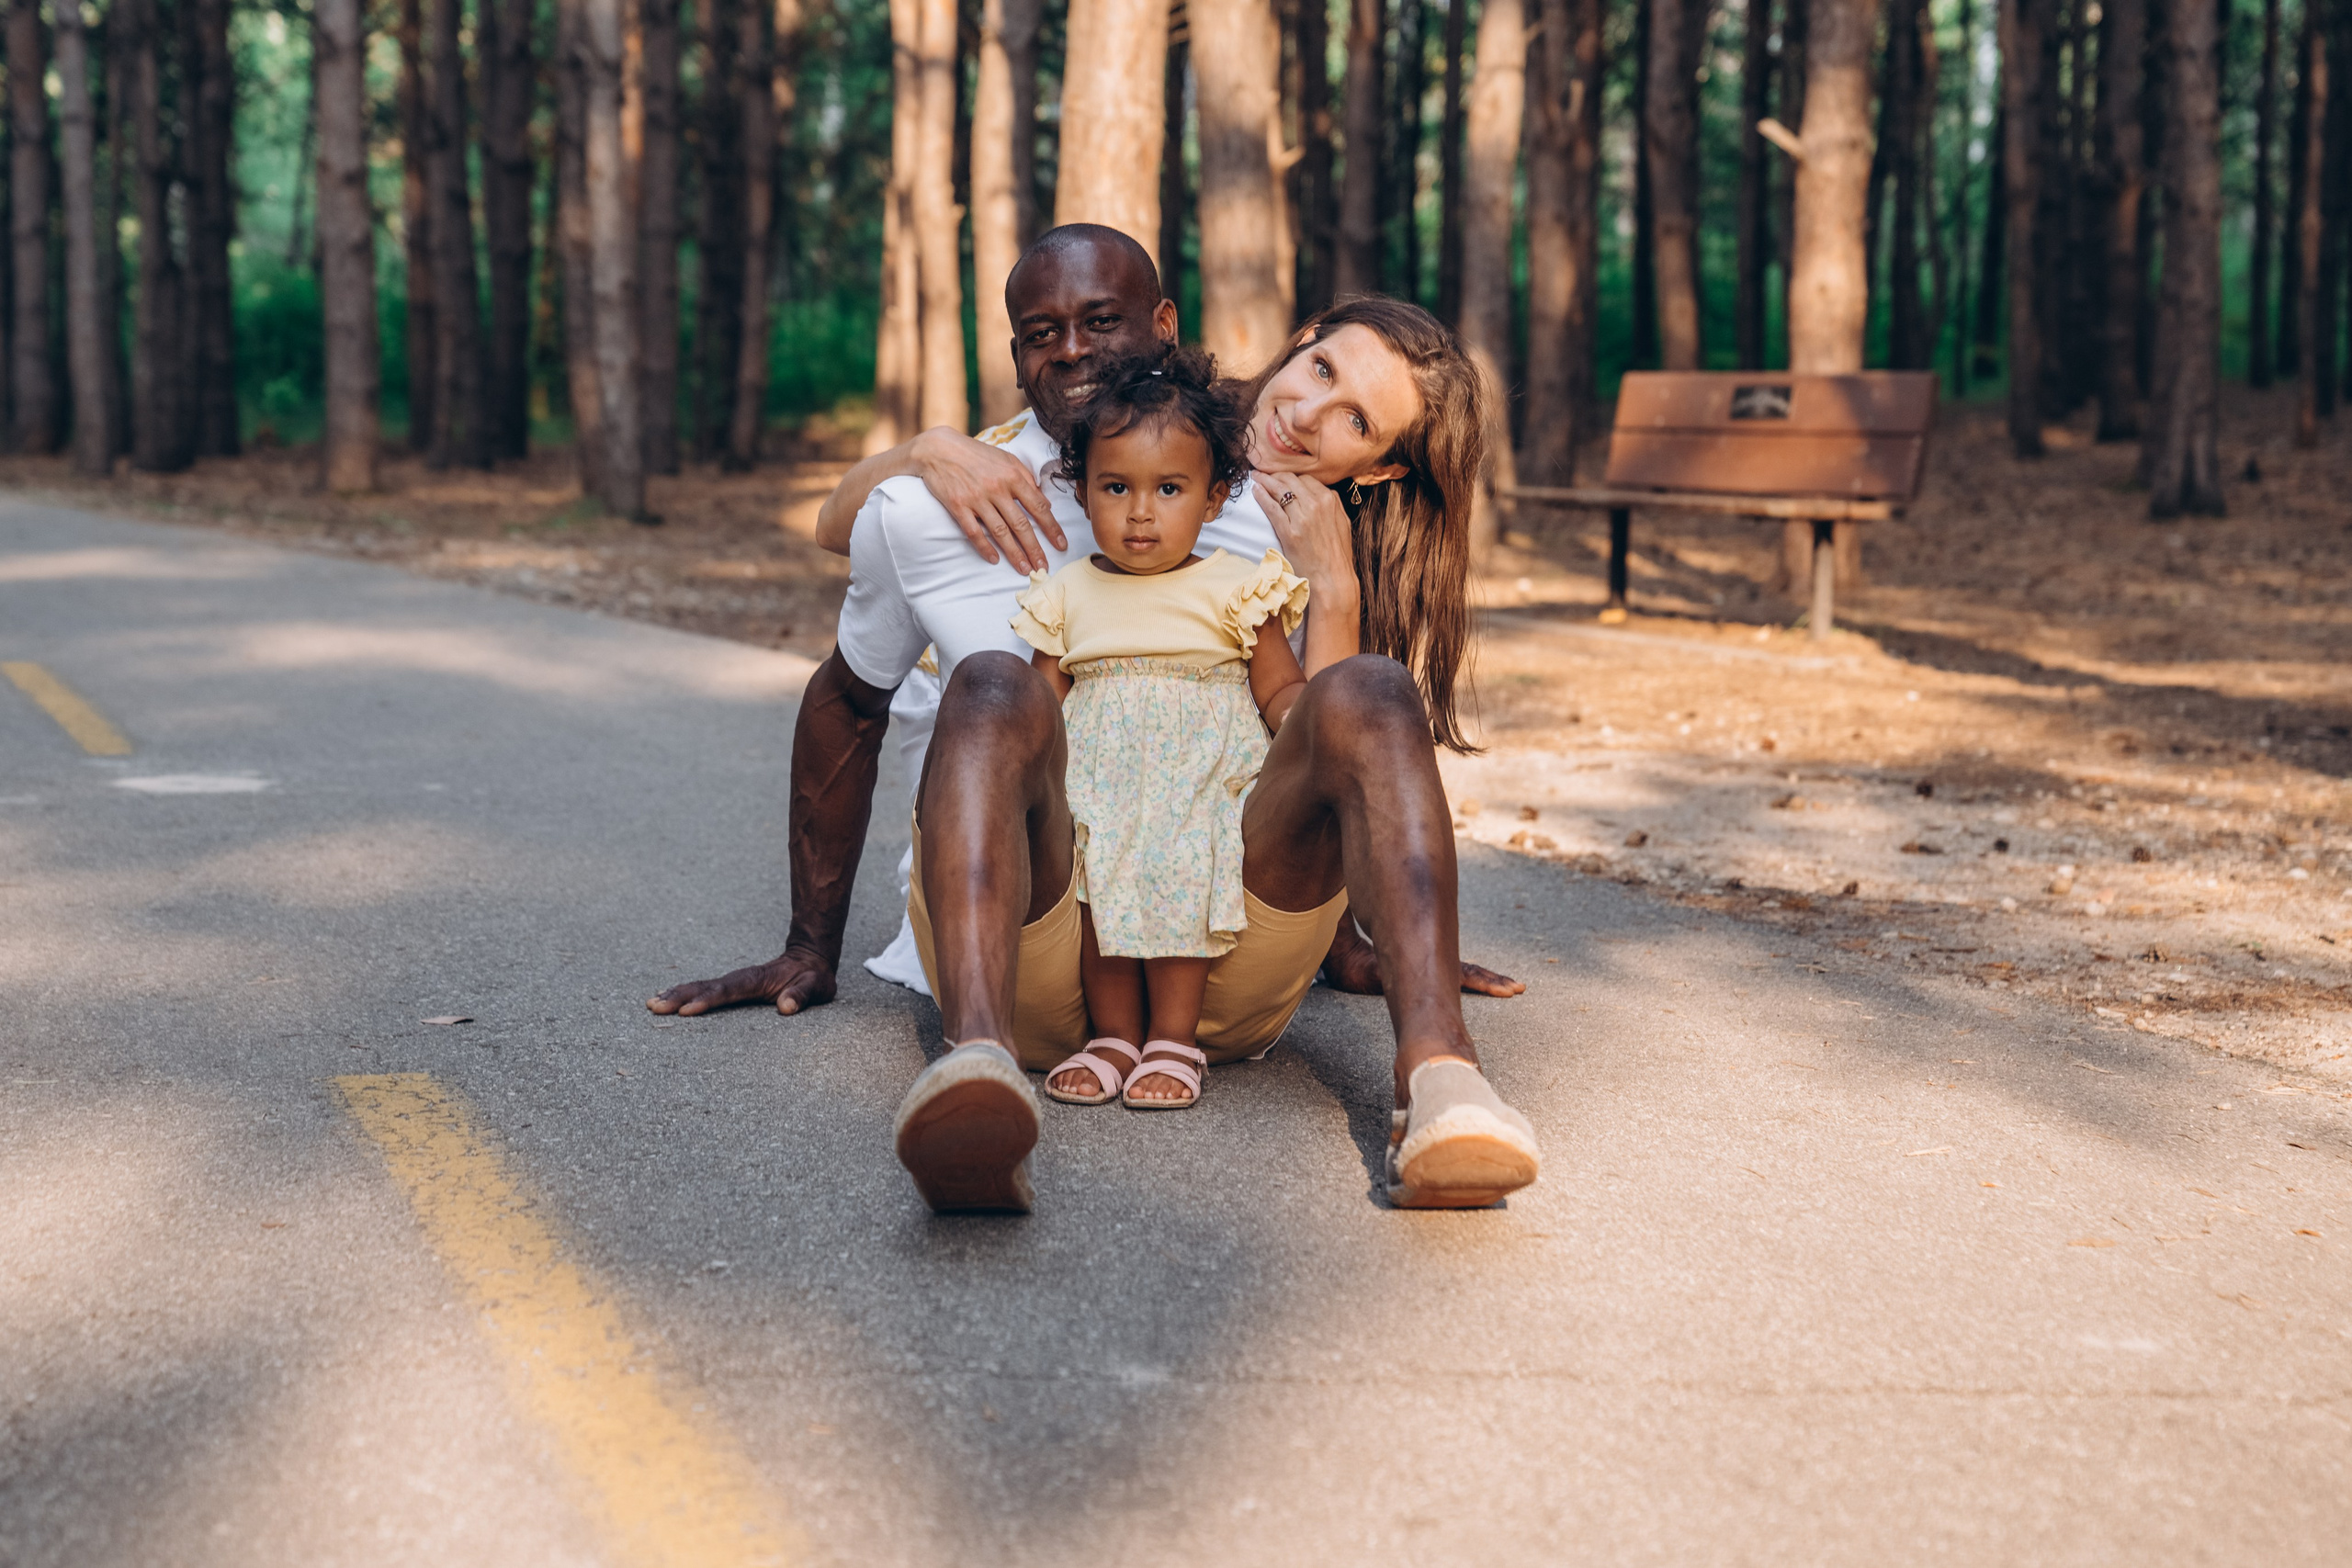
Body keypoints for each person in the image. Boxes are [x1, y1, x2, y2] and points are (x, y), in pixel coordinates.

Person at [650, 223, 1538, 1212]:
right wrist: (807, 945)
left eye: (1356, 421)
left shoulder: (1316, 524)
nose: (1308, 410)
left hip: (1222, 943)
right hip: (1035, 929)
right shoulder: (958, 492)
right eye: (1320, 367)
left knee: (1371, 687)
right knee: (993, 681)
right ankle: (974, 1073)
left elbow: (1317, 748)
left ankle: (1444, 1085)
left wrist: (1382, 934)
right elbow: (844, 664)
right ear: (1301, 335)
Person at [1010, 349, 1310, 1112]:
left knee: (1179, 888)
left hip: (1199, 780)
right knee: (1095, 895)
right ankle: (1114, 1034)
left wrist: (1311, 740)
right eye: (1117, 487)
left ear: (1212, 499)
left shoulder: (1239, 584)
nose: (1141, 511)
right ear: (1082, 492)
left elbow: (1278, 687)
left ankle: (1175, 1038)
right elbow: (1042, 707)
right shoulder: (1067, 593)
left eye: (1169, 488)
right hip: (1097, 783)